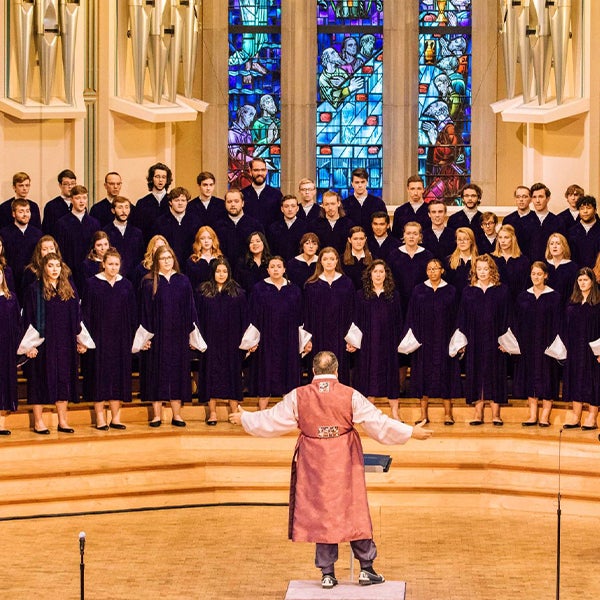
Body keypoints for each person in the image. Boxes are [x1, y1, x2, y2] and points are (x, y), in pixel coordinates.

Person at [229, 350, 432, 590]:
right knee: (353, 508)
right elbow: (378, 422)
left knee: (322, 511)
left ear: (313, 371)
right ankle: (366, 569)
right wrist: (410, 432)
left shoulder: (298, 396)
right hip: (343, 457)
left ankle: (327, 573)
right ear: (337, 371)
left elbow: (272, 420)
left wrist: (245, 419)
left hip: (314, 460)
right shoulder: (350, 395)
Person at [22, 253, 90, 434]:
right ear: (44, 267)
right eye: (50, 265)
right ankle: (38, 422)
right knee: (38, 381)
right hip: (42, 343)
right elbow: (28, 318)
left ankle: (63, 421)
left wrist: (79, 340)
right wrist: (29, 346)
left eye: (57, 266)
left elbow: (77, 317)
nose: (54, 269)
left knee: (63, 380)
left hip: (64, 343)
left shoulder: (69, 289)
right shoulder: (35, 289)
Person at [139, 245, 200, 427]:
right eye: (163, 258)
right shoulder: (149, 282)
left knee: (178, 372)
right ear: (157, 261)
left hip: (178, 335)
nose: (167, 261)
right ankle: (157, 415)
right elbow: (144, 311)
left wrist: (192, 335)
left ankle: (177, 414)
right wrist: (145, 338)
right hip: (157, 335)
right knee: (156, 373)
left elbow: (191, 309)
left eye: (169, 258)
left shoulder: (183, 281)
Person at [399, 258, 461, 425]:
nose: (433, 272)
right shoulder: (419, 291)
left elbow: (457, 317)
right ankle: (423, 414)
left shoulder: (451, 291)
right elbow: (411, 315)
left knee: (446, 374)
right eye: (429, 269)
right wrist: (412, 338)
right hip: (423, 340)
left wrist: (458, 341)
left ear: (442, 270)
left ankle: (448, 413)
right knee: (422, 375)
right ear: (426, 271)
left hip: (444, 339)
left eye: (436, 269)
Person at [81, 248, 137, 430]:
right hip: (99, 338)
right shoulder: (91, 284)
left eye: (116, 264)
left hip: (120, 339)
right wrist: (85, 339)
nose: (113, 268)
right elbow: (85, 313)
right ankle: (100, 418)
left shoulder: (126, 285)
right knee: (99, 377)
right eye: (110, 264)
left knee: (118, 377)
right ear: (103, 264)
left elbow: (132, 314)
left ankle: (116, 417)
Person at [453, 254, 511, 425]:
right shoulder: (469, 292)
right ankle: (477, 413)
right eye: (479, 269)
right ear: (475, 271)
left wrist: (505, 341)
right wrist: (462, 341)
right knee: (476, 374)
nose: (483, 272)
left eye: (486, 268)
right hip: (475, 339)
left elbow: (508, 316)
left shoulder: (502, 290)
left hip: (495, 339)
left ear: (492, 270)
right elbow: (462, 316)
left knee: (495, 374)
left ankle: (496, 414)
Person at [246, 256, 309, 409]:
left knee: (288, 373)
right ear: (267, 269)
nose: (275, 269)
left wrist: (305, 341)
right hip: (267, 338)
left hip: (289, 338)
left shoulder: (294, 290)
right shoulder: (259, 289)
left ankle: (289, 411)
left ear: (284, 269)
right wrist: (252, 341)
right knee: (265, 372)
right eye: (272, 266)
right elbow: (253, 316)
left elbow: (301, 316)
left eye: (279, 266)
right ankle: (262, 411)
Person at [346, 260, 403, 420]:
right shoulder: (361, 295)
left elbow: (399, 321)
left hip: (388, 342)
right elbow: (355, 320)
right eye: (375, 271)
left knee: (390, 375)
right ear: (369, 274)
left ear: (386, 275)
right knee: (367, 375)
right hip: (367, 342)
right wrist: (352, 341)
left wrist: (398, 342)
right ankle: (367, 413)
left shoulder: (394, 295)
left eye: (381, 271)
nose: (378, 274)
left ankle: (395, 413)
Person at [195, 258, 248, 425]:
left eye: (224, 271)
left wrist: (246, 342)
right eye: (218, 271)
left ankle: (234, 412)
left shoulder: (238, 293)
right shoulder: (203, 292)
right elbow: (197, 317)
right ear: (213, 272)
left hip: (231, 342)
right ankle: (212, 413)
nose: (221, 274)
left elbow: (245, 319)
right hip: (210, 340)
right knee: (210, 375)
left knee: (233, 376)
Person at [511, 262, 562, 427]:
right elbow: (517, 321)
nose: (536, 277)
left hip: (547, 343)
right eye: (533, 274)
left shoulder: (554, 297)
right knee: (530, 377)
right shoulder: (523, 297)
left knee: (547, 377)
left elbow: (559, 322)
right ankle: (532, 415)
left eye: (539, 274)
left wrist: (554, 343)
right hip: (528, 344)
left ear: (546, 275)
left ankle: (545, 416)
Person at [303, 247, 355, 384]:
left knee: (340, 369)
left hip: (341, 334)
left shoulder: (347, 283)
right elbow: (307, 314)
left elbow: (352, 312)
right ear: (320, 261)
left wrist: (351, 338)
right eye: (325, 259)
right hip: (318, 334)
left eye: (332, 259)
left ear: (337, 260)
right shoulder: (311, 285)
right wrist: (307, 339)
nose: (329, 262)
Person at [562, 268, 600, 430]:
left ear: (592, 281)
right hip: (575, 348)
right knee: (575, 380)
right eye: (580, 280)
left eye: (585, 280)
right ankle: (576, 416)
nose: (582, 283)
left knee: (593, 382)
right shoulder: (572, 302)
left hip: (593, 349)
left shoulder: (598, 303)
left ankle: (592, 417)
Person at [52, 184, 101, 290]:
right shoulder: (62, 223)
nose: (81, 201)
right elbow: (59, 250)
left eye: (84, 197)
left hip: (90, 270)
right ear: (71, 199)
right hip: (70, 269)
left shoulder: (94, 223)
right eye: (78, 198)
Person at [0, 197, 43, 301]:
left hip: (31, 279)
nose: (25, 214)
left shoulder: (37, 234)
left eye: (27, 211)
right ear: (13, 214)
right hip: (12, 278)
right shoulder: (4, 233)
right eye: (21, 211)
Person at [152, 186, 203, 268]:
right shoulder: (160, 222)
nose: (180, 203)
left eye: (183, 200)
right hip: (167, 265)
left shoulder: (195, 221)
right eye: (176, 200)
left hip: (191, 265)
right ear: (170, 202)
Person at [214, 188, 264, 266]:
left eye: (236, 201)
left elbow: (262, 250)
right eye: (229, 202)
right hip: (224, 269)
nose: (233, 204)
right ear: (225, 204)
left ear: (242, 203)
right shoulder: (217, 226)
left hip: (248, 268)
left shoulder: (254, 225)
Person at [103, 196, 144, 281]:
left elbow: (141, 256)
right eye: (120, 207)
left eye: (126, 207)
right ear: (113, 210)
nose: (124, 211)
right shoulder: (106, 232)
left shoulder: (137, 233)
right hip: (112, 276)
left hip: (134, 278)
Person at [0, 264, 20, 435]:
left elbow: (16, 326)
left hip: (5, 347)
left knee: (4, 383)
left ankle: (1, 424)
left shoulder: (10, 298)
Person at [132, 162, 173, 243]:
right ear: (151, 179)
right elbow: (138, 230)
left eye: (164, 177)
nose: (160, 180)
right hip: (148, 246)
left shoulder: (173, 201)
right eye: (157, 177)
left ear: (167, 180)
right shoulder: (142, 203)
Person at [523, 182, 563, 262]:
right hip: (529, 268)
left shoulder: (558, 221)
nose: (537, 201)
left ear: (548, 198)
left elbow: (562, 248)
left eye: (541, 197)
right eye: (534, 197)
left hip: (551, 267)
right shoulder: (524, 222)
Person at [491, 224, 530, 301]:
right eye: (500, 237)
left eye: (506, 237)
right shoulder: (491, 259)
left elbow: (525, 285)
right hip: (496, 301)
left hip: (517, 301)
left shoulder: (523, 260)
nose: (502, 241)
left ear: (512, 239)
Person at [241, 157, 283, 228]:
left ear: (266, 171)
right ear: (250, 171)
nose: (260, 173)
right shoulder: (242, 194)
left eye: (262, 170)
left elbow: (281, 219)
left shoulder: (276, 194)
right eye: (256, 170)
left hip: (271, 237)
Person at [342, 168, 386, 233]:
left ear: (367, 183)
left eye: (362, 182)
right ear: (352, 184)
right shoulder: (344, 204)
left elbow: (385, 227)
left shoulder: (378, 203)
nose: (360, 185)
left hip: (373, 242)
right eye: (357, 182)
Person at [313, 190, 354, 255]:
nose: (330, 208)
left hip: (344, 262)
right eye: (327, 204)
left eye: (333, 204)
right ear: (322, 205)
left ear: (338, 203)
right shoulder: (315, 225)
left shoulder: (349, 224)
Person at [267, 194, 306, 262]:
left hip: (298, 265)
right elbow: (270, 249)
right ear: (282, 209)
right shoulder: (273, 227)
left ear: (297, 208)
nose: (290, 209)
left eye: (293, 206)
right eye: (286, 206)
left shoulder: (305, 227)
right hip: (279, 266)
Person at [545, 233, 578, 307]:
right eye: (552, 243)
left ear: (564, 246)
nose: (554, 246)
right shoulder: (544, 265)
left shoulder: (573, 267)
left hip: (565, 307)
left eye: (558, 243)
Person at [185, 226, 223, 290]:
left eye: (209, 238)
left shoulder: (220, 260)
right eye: (202, 238)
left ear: (213, 240)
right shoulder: (192, 262)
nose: (206, 241)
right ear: (198, 241)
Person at [567, 195, 600, 268]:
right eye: (582, 208)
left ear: (595, 210)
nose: (585, 211)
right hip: (578, 274)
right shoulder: (572, 231)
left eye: (588, 208)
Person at [444, 226, 478, 298]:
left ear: (471, 241)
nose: (462, 242)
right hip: (453, 300)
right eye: (459, 239)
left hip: (473, 299)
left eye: (465, 239)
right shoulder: (448, 260)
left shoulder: (478, 261)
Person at [42, 169, 77, 234]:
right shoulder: (51, 206)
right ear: (60, 185)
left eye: (72, 183)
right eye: (66, 184)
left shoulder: (79, 205)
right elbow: (46, 230)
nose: (70, 187)